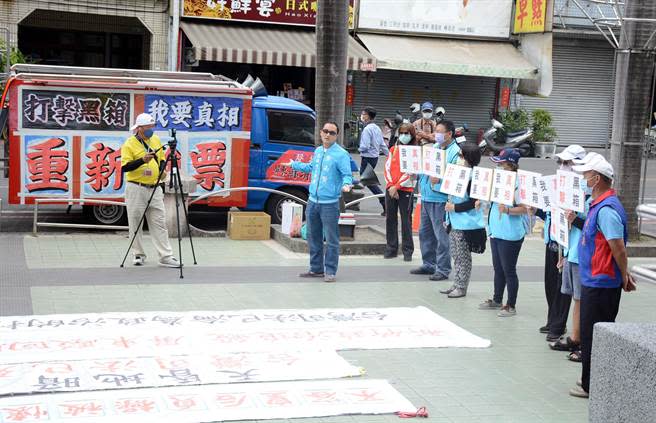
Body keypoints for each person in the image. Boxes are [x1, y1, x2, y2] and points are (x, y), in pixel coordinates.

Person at [568, 155, 636, 398]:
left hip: (601, 281)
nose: (584, 179)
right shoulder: (598, 205)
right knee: (591, 333)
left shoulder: (607, 209)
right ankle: (592, 380)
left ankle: (592, 385)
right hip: (594, 278)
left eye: (586, 175)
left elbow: (618, 247)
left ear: (597, 179)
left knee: (594, 334)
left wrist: (623, 274)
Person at [289, 122, 353, 283]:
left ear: (336, 136)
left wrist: (346, 184)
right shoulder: (318, 151)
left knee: (331, 238)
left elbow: (347, 174)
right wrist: (294, 165)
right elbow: (311, 167)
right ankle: (316, 269)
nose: (327, 135)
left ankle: (330, 270)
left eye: (332, 133)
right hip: (312, 201)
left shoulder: (341, 154)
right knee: (313, 236)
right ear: (320, 133)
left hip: (330, 203)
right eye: (325, 131)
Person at [536, 145, 585, 342]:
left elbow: (585, 221)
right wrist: (536, 211)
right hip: (552, 240)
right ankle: (552, 320)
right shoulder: (557, 185)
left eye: (568, 163)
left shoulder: (581, 190)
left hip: (567, 246)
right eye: (562, 163)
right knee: (550, 284)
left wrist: (574, 220)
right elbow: (549, 212)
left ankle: (557, 325)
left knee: (562, 287)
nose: (563, 166)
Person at [120, 113, 180, 268]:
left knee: (159, 222)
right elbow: (125, 167)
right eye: (147, 128)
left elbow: (160, 159)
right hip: (136, 187)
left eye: (151, 127)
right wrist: (142, 160)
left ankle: (166, 256)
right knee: (135, 223)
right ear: (139, 128)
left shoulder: (155, 140)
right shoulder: (129, 144)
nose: (150, 131)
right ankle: (138, 254)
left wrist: (161, 169)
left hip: (155, 187)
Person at [479, 148, 529, 317]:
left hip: (511, 234)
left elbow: (526, 209)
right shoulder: (498, 180)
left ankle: (511, 305)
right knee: (498, 268)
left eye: (501, 164)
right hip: (496, 230)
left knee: (509, 269)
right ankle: (497, 299)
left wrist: (508, 210)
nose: (498, 167)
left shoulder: (519, 184)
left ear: (510, 166)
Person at [410, 120, 460, 281]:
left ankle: (443, 268)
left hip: (440, 199)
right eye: (435, 131)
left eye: (439, 131)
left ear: (449, 134)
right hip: (426, 196)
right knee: (425, 233)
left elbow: (457, 177)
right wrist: (416, 175)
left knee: (442, 236)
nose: (436, 134)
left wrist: (439, 180)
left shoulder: (456, 152)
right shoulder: (436, 148)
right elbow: (427, 170)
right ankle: (429, 264)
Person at [443, 142, 486, 298]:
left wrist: (455, 208)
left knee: (463, 257)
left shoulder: (473, 177)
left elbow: (473, 202)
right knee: (456, 255)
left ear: (469, 158)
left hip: (466, 224)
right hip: (454, 222)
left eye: (461, 156)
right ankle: (456, 283)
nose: (458, 158)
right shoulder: (458, 173)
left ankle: (462, 286)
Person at [383, 122, 416, 261]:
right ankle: (391, 248)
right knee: (390, 218)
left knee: (406, 220)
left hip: (405, 189)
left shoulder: (414, 152)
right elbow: (387, 168)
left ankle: (407, 250)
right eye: (401, 133)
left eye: (406, 133)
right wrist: (391, 185)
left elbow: (410, 172)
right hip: (391, 189)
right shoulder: (393, 149)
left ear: (412, 135)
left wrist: (397, 186)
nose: (403, 136)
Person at [359, 107, 389, 215]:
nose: (362, 115)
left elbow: (364, 146)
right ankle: (384, 202)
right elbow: (382, 144)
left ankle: (384, 202)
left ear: (368, 116)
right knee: (368, 180)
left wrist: (359, 149)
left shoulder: (367, 129)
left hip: (367, 157)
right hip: (374, 158)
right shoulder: (376, 128)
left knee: (368, 181)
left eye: (363, 114)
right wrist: (389, 155)